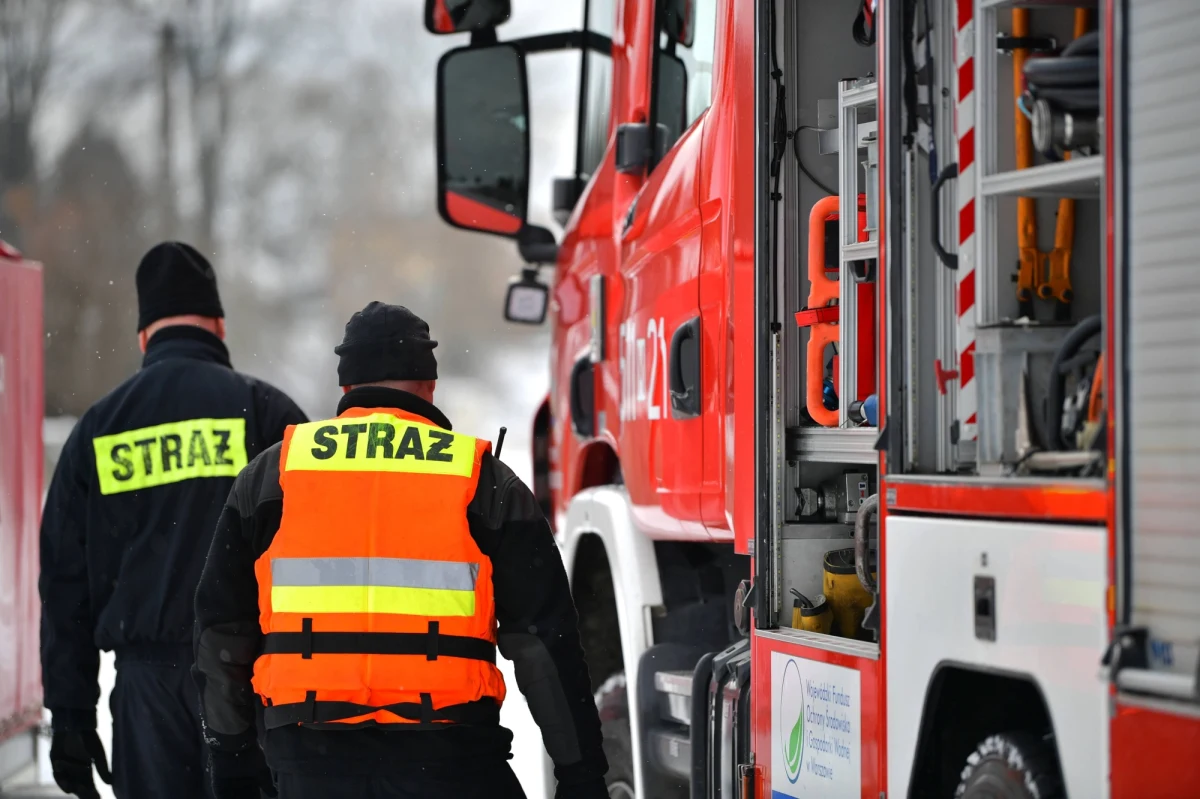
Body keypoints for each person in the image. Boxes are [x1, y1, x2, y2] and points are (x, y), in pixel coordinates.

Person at [193, 302, 608, 799]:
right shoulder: (481, 481)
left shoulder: (273, 475)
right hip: (452, 761)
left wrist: (231, 755)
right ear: (429, 385)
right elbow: (544, 642)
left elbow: (221, 631)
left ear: (346, 389)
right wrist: (580, 771)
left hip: (309, 761)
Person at [40, 242, 309, 799]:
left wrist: (70, 712)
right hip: (250, 683)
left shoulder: (99, 430)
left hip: (145, 698)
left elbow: (65, 581)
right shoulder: (267, 414)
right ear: (218, 325)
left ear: (145, 335)